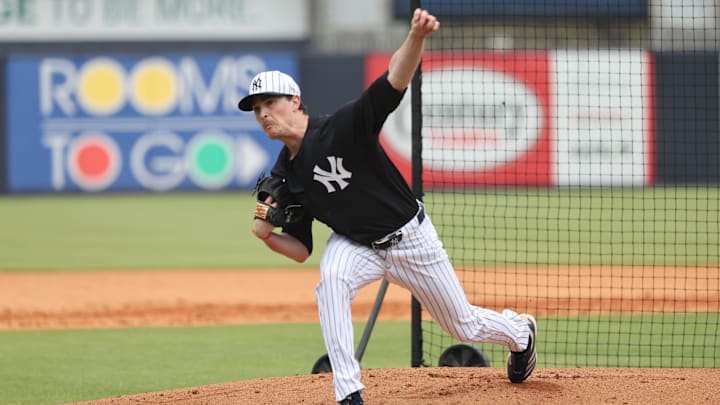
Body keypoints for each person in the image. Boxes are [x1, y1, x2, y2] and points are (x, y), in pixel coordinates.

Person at [238, 8, 537, 405]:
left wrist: (416, 36)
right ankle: (348, 392)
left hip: (410, 239)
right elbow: (301, 250)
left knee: (461, 324)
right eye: (256, 109)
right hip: (357, 244)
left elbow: (394, 80)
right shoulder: (284, 175)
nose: (262, 114)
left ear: (295, 100)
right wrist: (267, 237)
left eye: (269, 102)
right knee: (331, 283)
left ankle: (520, 334)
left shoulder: (343, 126)